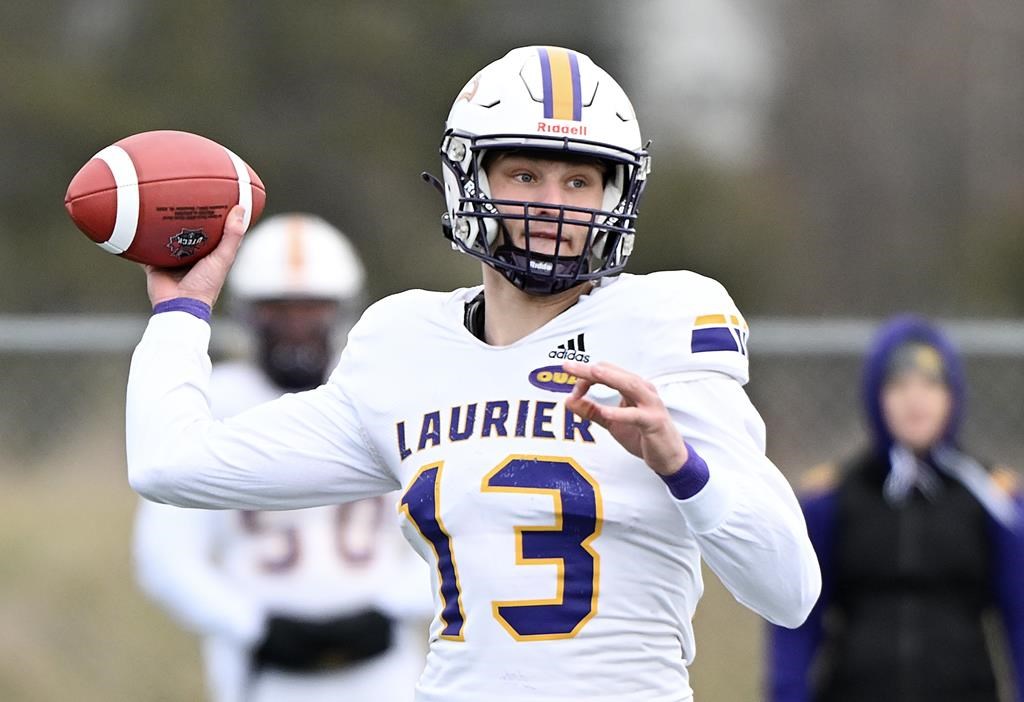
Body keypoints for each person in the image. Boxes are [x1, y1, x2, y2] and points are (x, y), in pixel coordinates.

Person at [126, 46, 821, 702]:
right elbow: (170, 464)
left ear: (615, 196)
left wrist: (682, 466)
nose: (554, 204)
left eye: (579, 180)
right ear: (469, 179)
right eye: (526, 175)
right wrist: (183, 310)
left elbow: (789, 592)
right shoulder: (405, 347)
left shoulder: (664, 323)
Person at [132, 214, 431, 702]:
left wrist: (392, 609)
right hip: (263, 672)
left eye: (311, 308)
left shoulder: (380, 393)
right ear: (250, 313)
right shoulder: (210, 399)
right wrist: (253, 627)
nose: (296, 326)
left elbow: (450, 521)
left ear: (339, 311)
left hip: (385, 668)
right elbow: (166, 559)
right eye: (278, 309)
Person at [766, 315, 1024, 702]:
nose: (914, 400)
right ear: (875, 395)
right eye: (898, 385)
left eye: (930, 384)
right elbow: (795, 626)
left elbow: (1019, 618)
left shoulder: (996, 502)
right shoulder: (830, 499)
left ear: (952, 395)